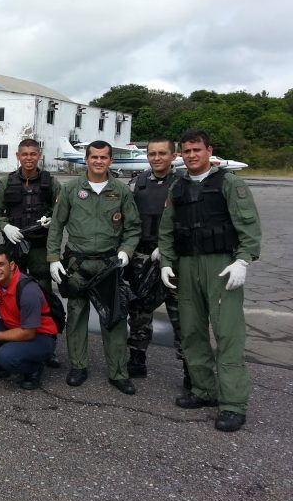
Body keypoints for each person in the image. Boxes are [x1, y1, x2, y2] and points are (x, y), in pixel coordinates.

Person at [158, 129, 261, 432]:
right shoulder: (177, 187)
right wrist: (166, 262)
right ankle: (204, 391)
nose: (191, 155)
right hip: (187, 266)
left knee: (228, 335)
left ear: (208, 151)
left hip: (221, 266)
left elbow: (249, 227)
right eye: (186, 151)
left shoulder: (229, 183)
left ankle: (232, 404)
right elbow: (166, 230)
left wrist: (243, 260)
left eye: (196, 150)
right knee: (191, 332)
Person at [46, 140, 140, 395]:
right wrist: (53, 257)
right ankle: (78, 366)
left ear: (111, 161)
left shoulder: (121, 191)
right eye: (94, 157)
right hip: (77, 263)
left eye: (104, 157)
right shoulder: (71, 189)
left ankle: (118, 372)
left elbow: (132, 228)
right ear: (86, 159)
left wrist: (126, 252)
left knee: (115, 318)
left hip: (109, 263)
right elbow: (56, 225)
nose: (99, 161)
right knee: (76, 316)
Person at [0, 138, 62, 367]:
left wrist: (52, 218)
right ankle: (15, 338)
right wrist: (5, 226)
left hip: (40, 247)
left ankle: (47, 345)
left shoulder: (52, 183)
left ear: (39, 156)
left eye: (33, 154)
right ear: (18, 156)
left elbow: (62, 209)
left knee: (43, 295)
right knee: (10, 294)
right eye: (25, 154)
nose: (29, 158)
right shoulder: (6, 182)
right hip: (14, 246)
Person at [125, 139, 188, 386]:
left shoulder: (184, 184)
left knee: (182, 316)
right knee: (139, 312)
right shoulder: (136, 183)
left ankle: (189, 369)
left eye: (163, 153)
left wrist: (169, 246)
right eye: (152, 153)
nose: (157, 158)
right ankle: (137, 359)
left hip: (173, 259)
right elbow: (127, 219)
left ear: (174, 156)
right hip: (142, 257)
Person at [0, 245, 59, 389]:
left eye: (0, 264)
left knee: (7, 356)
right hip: (13, 328)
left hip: (40, 337)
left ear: (11, 265)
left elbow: (28, 332)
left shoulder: (28, 290)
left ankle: (33, 368)